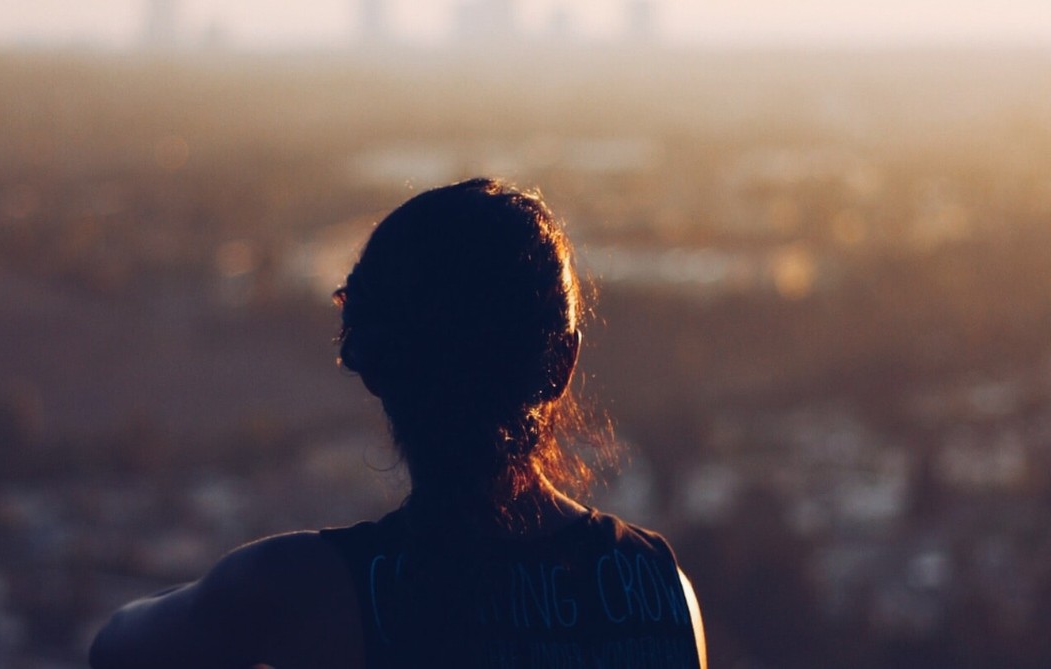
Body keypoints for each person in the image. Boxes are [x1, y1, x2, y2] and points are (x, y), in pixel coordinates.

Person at [89, 178, 707, 669]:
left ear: (376, 369)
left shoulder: (305, 592)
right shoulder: (660, 593)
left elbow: (116, 646)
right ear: (561, 365)